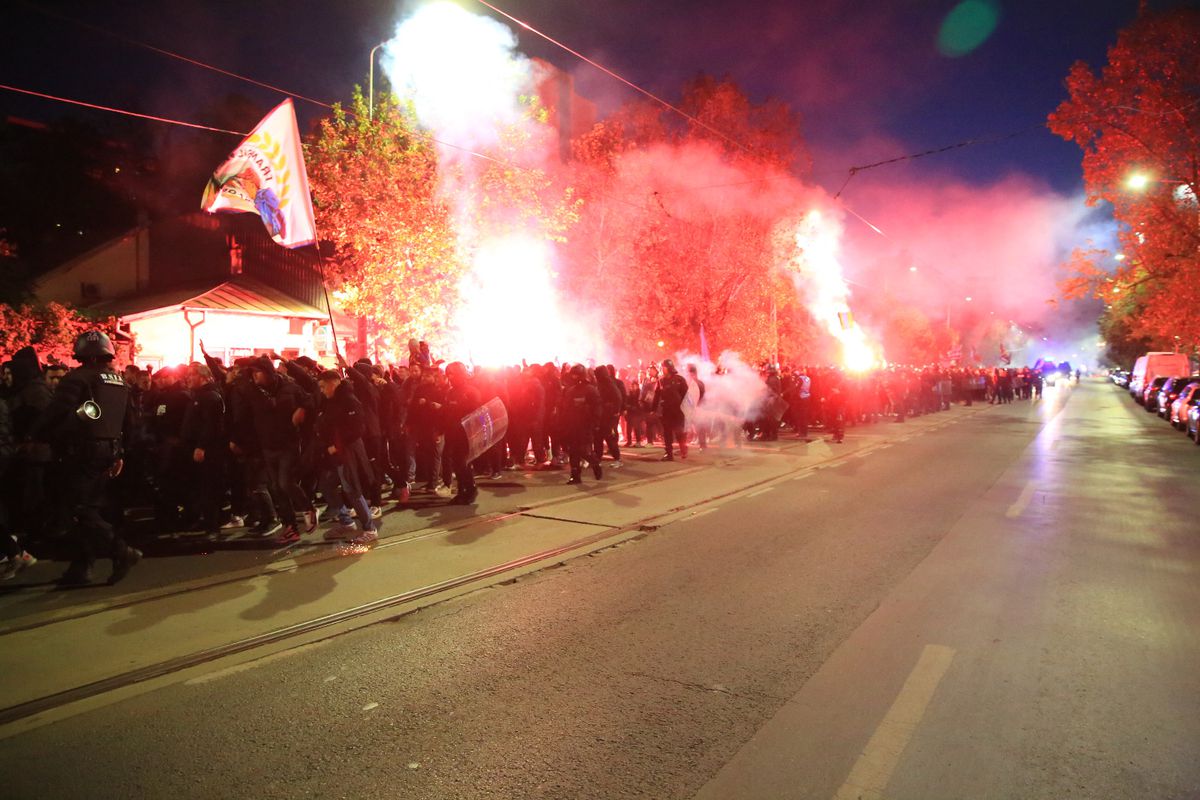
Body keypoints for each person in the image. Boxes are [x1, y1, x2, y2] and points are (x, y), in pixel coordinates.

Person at [34, 331, 141, 585]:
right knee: (89, 507)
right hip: (109, 452)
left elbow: (55, 414)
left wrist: (33, 434)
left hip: (80, 453)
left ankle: (121, 552)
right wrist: (121, 453)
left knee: (79, 509)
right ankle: (81, 567)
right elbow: (131, 423)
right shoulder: (119, 381)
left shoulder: (76, 379)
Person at [314, 370, 377, 545]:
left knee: (352, 489)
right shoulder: (330, 401)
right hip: (332, 451)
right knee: (327, 485)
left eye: (323, 386)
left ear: (333, 383)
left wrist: (338, 445)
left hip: (346, 451)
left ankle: (369, 528)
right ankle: (346, 521)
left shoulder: (349, 400)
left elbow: (357, 429)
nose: (322, 390)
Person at [180, 363, 227, 537]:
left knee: (209, 488)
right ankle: (204, 521)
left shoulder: (211, 396)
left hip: (209, 452)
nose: (188, 378)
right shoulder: (199, 395)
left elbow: (211, 426)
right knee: (200, 487)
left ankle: (212, 526)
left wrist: (201, 446)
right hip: (196, 449)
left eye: (192, 375)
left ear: (203, 377)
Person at [442, 362, 480, 504]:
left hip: (465, 433)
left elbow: (475, 413)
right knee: (457, 463)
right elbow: (446, 412)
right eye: (448, 374)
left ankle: (470, 489)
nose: (449, 377)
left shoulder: (471, 391)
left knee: (464, 463)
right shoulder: (450, 392)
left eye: (452, 374)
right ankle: (462, 490)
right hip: (452, 432)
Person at [561, 364, 602, 484]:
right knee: (573, 451)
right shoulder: (570, 390)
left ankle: (594, 463)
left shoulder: (590, 389)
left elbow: (597, 407)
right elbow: (566, 408)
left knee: (583, 450)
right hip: (572, 425)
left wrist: (595, 422)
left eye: (576, 375)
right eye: (572, 375)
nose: (574, 377)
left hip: (585, 425)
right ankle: (575, 475)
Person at [654, 360, 689, 461]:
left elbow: (686, 395)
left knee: (679, 432)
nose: (662, 369)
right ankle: (669, 454)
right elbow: (657, 396)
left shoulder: (680, 380)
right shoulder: (661, 381)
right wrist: (653, 409)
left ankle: (683, 449)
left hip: (678, 411)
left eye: (663, 367)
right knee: (667, 433)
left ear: (669, 368)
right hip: (666, 411)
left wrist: (687, 409)